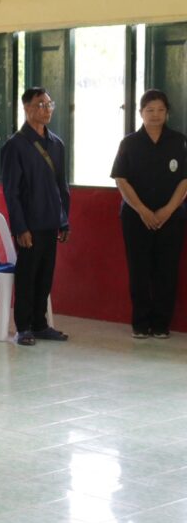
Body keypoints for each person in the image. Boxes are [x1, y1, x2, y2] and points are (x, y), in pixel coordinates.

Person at [111, 89, 187, 339]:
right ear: (141, 112)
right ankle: (141, 323)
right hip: (136, 218)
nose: (155, 115)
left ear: (167, 113)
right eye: (150, 110)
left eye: (160, 110)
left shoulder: (179, 141)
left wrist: (167, 210)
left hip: (172, 218)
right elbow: (121, 179)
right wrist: (143, 210)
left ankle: (162, 324)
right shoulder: (129, 143)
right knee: (139, 271)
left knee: (167, 270)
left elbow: (185, 180)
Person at [1, 87, 71, 346]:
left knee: (45, 275)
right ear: (27, 108)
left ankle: (41, 325)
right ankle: (24, 327)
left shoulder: (57, 144)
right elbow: (11, 192)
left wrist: (64, 220)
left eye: (49, 104)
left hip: (51, 221)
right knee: (27, 275)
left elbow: (62, 185)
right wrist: (20, 227)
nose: (46, 109)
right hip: (29, 224)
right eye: (40, 104)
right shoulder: (15, 145)